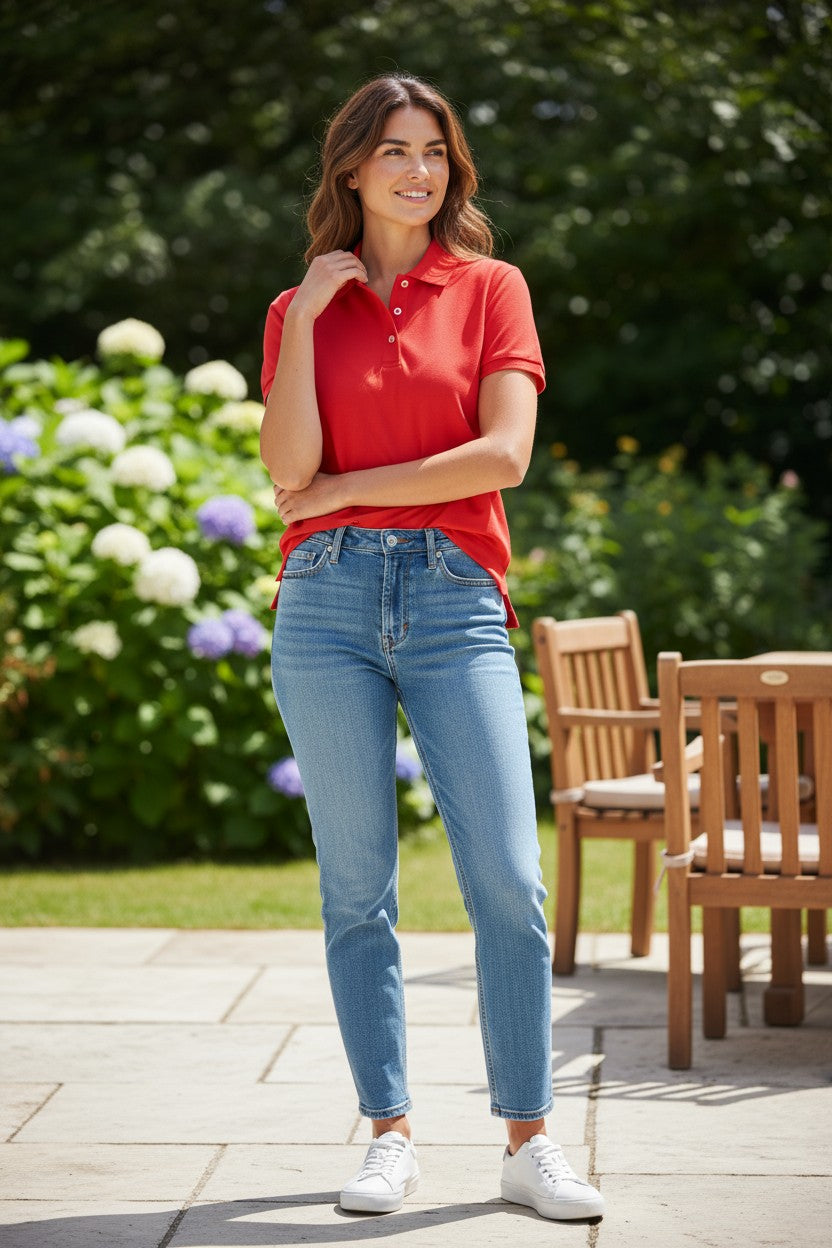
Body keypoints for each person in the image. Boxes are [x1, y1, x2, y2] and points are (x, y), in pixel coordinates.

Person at [259, 73, 605, 1223]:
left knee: (507, 877)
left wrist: (342, 490)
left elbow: (502, 455)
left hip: (456, 598)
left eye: (435, 152)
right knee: (355, 887)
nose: (419, 170)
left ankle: (528, 1142)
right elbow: (285, 469)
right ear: (351, 168)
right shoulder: (297, 307)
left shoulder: (492, 288)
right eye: (395, 150)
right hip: (323, 603)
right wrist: (311, 315)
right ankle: (389, 1135)